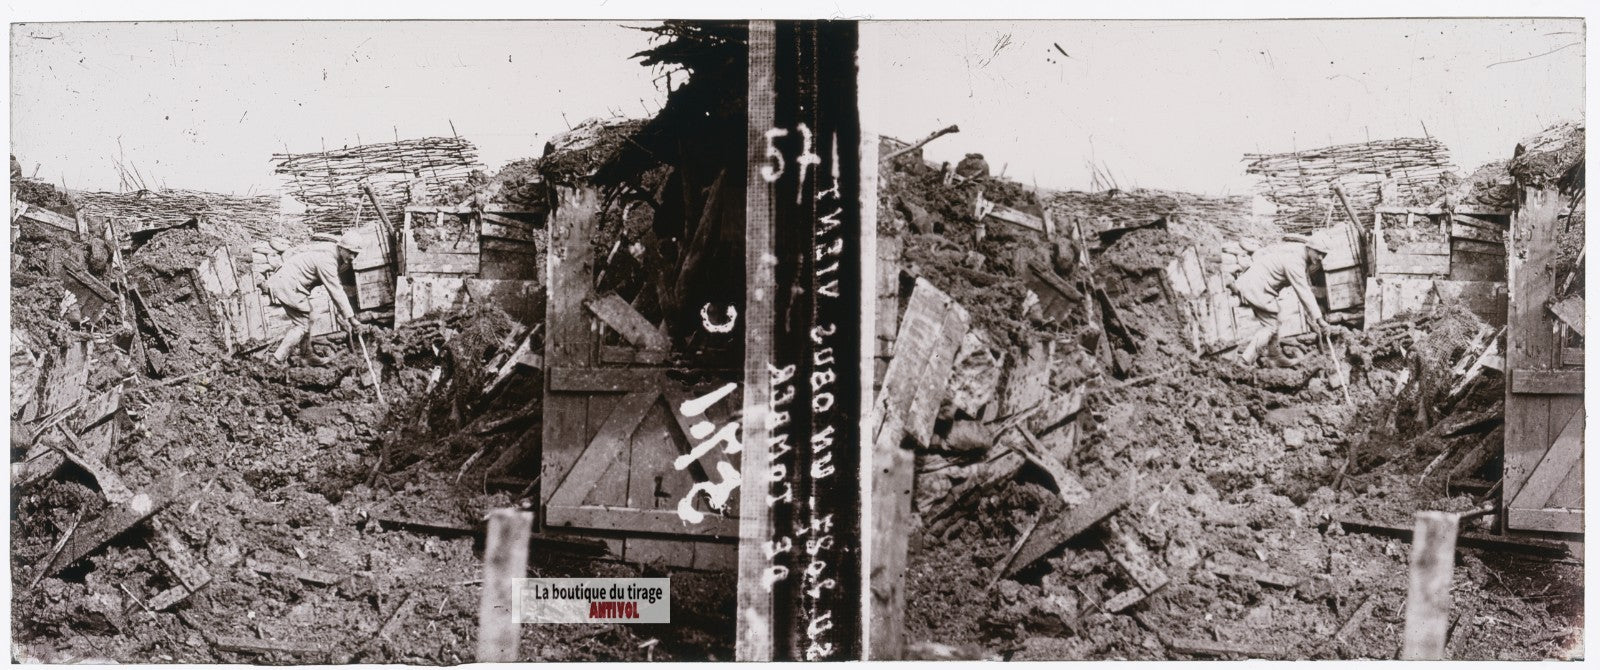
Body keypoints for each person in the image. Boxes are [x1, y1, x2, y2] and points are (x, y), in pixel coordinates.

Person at [263, 231, 367, 364]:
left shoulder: (334, 253)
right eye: (350, 252)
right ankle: (276, 360)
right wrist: (353, 320)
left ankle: (306, 355)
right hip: (288, 284)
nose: (353, 257)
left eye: (356, 254)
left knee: (309, 317)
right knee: (301, 325)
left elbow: (335, 287)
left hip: (290, 282)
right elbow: (336, 291)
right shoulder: (327, 260)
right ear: (341, 248)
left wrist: (343, 312)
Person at [1233, 238, 1330, 365]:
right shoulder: (1295, 261)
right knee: (1270, 326)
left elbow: (1303, 287)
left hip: (1259, 284)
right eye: (1318, 253)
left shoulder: (1300, 252)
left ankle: (1274, 355)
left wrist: (1313, 316)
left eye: (1324, 254)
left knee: (1275, 320)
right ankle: (1244, 360)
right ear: (1309, 248)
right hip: (1257, 286)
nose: (1321, 257)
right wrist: (1320, 319)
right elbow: (1303, 290)